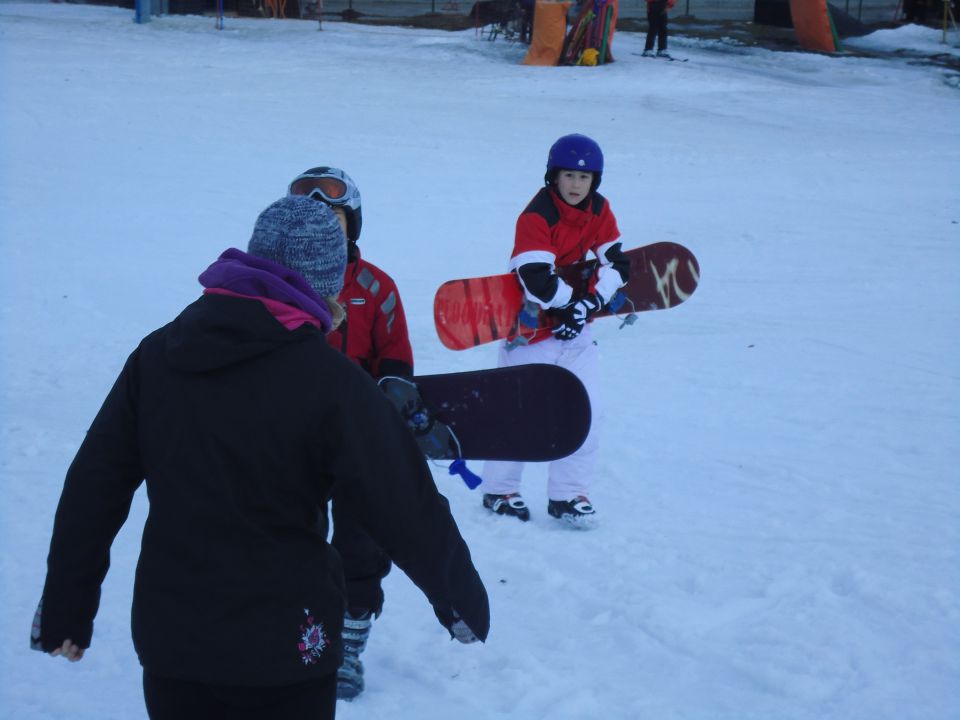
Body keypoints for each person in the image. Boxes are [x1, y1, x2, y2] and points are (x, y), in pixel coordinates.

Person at [30, 195, 489, 720]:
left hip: (175, 639)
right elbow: (400, 498)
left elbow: (96, 482)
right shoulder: (334, 382)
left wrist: (67, 603)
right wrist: (459, 599)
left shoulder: (158, 356)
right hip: (287, 645)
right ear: (327, 284)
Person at [287, 166, 414, 700]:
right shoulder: (278, 285)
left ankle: (348, 644)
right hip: (290, 435)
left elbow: (396, 357)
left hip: (358, 435)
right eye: (311, 215)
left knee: (362, 540)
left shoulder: (376, 287)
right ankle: (300, 636)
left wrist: (394, 395)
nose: (324, 225)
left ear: (351, 223)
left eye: (334, 215)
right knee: (293, 537)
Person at [481, 133, 629, 528]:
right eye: (569, 176)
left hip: (574, 325)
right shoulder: (537, 214)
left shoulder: (600, 209)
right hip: (528, 325)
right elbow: (533, 275)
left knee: (588, 411)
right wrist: (567, 304)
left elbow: (618, 264)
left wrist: (587, 305)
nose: (576, 185)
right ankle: (500, 489)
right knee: (519, 412)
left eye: (584, 177)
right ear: (554, 177)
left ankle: (568, 495)